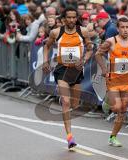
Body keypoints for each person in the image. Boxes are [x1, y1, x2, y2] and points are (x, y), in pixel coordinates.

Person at [42, 6, 93, 149]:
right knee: (66, 102)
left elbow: (90, 49)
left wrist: (84, 59)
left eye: (73, 17)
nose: (71, 20)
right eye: (68, 17)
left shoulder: (83, 31)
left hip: (76, 70)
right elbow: (47, 46)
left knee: (74, 105)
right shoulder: (56, 32)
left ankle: (65, 101)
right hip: (61, 69)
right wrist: (46, 61)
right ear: (64, 19)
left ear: (76, 18)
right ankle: (69, 136)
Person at [95, 17, 128, 147]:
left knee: (123, 109)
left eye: (127, 27)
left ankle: (113, 137)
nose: (125, 30)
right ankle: (107, 102)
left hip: (127, 80)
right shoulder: (111, 41)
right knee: (116, 107)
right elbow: (98, 54)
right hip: (113, 79)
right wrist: (104, 69)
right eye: (122, 27)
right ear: (118, 28)